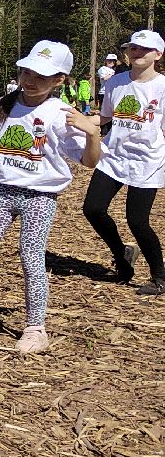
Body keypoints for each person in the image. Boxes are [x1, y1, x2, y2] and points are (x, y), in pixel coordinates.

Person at [0, 40, 100, 354]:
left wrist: (92, 132)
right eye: (27, 71)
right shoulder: (0, 107)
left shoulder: (61, 113)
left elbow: (89, 162)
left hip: (40, 197)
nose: (30, 80)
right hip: (3, 192)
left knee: (31, 257)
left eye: (42, 76)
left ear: (59, 80)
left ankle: (36, 327)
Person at [83, 30, 165, 295]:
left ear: (158, 54)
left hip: (147, 161)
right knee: (93, 209)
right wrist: (76, 121)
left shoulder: (162, 87)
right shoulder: (116, 82)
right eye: (132, 48)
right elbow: (105, 118)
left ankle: (159, 277)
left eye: (143, 49)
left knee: (137, 221)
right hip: (113, 157)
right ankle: (122, 256)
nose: (136, 53)